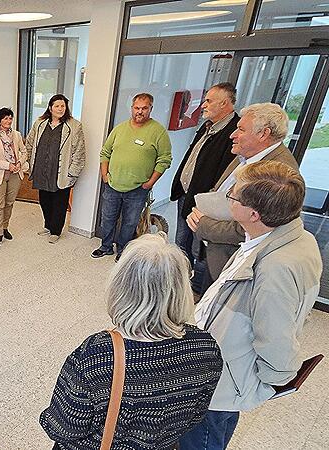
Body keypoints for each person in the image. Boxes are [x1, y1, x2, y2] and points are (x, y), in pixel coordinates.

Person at [179, 161, 322, 450]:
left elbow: (276, 337)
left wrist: (272, 381)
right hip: (220, 368)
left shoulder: (275, 269)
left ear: (253, 214)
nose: (228, 196)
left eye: (233, 195)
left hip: (222, 383)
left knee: (203, 439)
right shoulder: (287, 238)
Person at [40, 234, 223, 450]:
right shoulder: (206, 349)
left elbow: (62, 428)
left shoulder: (96, 357)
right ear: (181, 288)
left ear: (121, 287)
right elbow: (196, 416)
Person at [186, 103, 299, 288]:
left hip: (234, 262)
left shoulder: (278, 173)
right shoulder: (246, 155)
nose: (232, 134)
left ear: (263, 134)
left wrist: (204, 225)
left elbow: (255, 226)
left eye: (241, 129)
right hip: (217, 253)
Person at [92, 93, 172, 261]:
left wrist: (150, 182)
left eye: (144, 108)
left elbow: (164, 160)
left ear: (151, 109)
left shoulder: (158, 132)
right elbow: (105, 152)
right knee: (107, 219)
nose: (140, 112)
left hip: (137, 188)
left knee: (129, 222)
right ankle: (106, 246)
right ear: (132, 108)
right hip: (113, 185)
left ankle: (123, 250)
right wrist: (104, 175)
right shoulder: (120, 129)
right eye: (137, 108)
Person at [169, 83, 239, 264]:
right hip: (186, 195)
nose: (203, 105)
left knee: (198, 250)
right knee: (181, 242)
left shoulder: (233, 134)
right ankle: (180, 280)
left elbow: (225, 175)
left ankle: (197, 290)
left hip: (205, 203)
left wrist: (208, 199)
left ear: (224, 103)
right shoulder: (208, 126)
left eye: (208, 101)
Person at [25, 95, 86, 244]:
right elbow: (29, 143)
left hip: (62, 171)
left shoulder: (74, 126)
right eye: (57, 106)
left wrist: (73, 173)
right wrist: (27, 162)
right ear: (50, 107)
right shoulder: (40, 123)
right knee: (44, 200)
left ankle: (56, 230)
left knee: (59, 202)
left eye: (63, 106)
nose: (60, 109)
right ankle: (48, 225)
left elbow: (79, 152)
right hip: (41, 169)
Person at [0, 107, 28, 248]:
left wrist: (19, 162)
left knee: (9, 203)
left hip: (16, 173)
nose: (8, 121)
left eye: (10, 118)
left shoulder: (16, 135)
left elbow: (24, 151)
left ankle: (5, 228)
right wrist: (8, 165)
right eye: (5, 118)